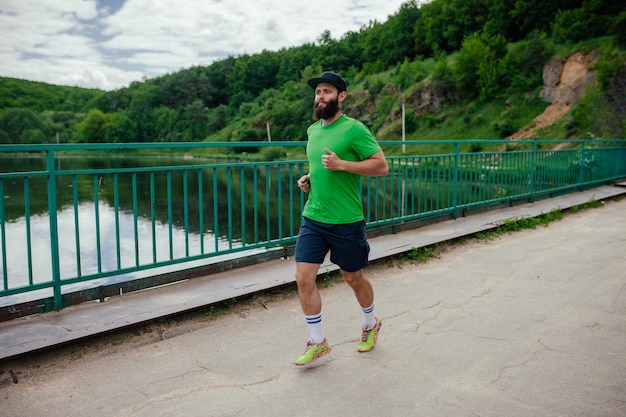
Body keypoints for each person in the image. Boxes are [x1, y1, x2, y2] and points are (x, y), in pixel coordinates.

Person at [294, 71, 389, 366]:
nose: (320, 97)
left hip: (346, 220)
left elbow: (381, 166)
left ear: (341, 96)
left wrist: (341, 164)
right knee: (302, 278)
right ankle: (318, 342)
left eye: (326, 91)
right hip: (314, 217)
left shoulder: (354, 129)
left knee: (353, 277)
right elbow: (320, 167)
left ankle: (371, 323)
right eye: (317, 92)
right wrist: (310, 178)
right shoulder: (312, 131)